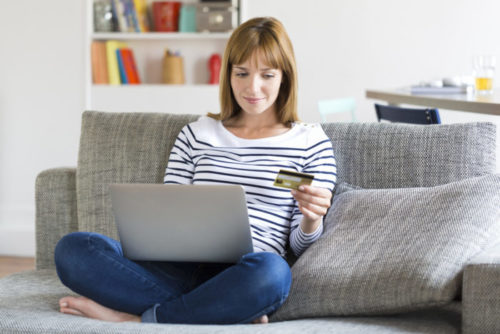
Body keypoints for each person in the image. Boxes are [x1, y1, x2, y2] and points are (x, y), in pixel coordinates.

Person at [54, 16, 337, 325]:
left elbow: (299, 245)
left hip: (247, 269)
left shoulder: (310, 142)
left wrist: (311, 219)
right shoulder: (197, 134)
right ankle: (221, 309)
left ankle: (138, 320)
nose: (252, 87)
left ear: (285, 77)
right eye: (241, 73)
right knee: (74, 249)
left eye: (267, 75)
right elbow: (168, 213)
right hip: (177, 268)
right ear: (228, 74)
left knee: (272, 275)